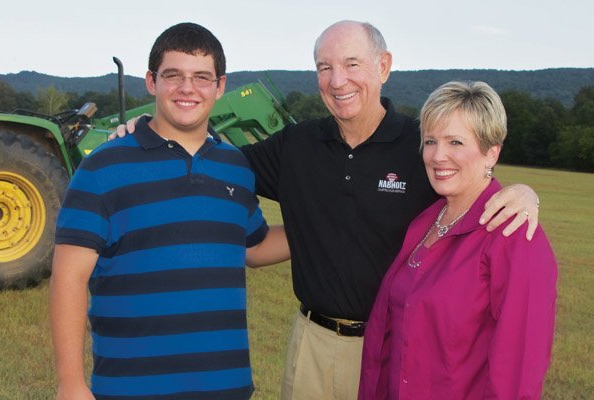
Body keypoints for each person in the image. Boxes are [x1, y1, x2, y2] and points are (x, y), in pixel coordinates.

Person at [114, 20, 540, 400]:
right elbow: (217, 161)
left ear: (384, 66)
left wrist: (523, 192)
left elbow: (468, 183)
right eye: (324, 67)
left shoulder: (421, 146)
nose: (338, 81)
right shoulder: (297, 145)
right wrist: (152, 129)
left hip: (391, 344)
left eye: (352, 64)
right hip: (312, 342)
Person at [49, 22, 289, 400]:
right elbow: (68, 278)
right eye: (173, 75)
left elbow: (253, 247)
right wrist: (71, 385)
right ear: (151, 81)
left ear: (220, 86)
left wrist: (323, 225)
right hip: (130, 389)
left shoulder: (235, 167)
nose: (187, 88)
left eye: (201, 77)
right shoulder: (102, 167)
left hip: (224, 387)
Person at [359, 81, 557, 399]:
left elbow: (518, 373)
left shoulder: (514, 236)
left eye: (455, 142)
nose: (438, 156)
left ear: (492, 151)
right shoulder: (425, 221)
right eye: (430, 141)